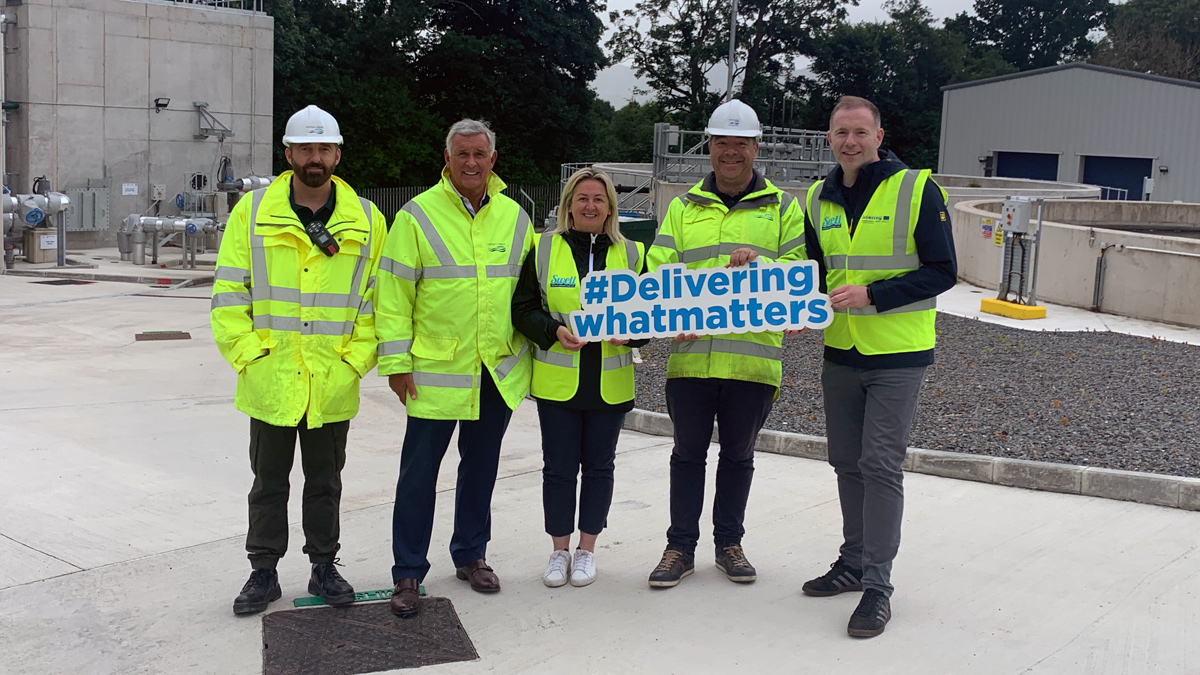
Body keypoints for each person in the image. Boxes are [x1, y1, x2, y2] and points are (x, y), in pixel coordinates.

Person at [211, 105, 387, 615]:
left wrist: (354, 363)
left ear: (336, 154)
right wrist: (249, 356)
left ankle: (323, 565)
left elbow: (377, 302)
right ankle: (262, 572)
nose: (315, 158)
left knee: (325, 483)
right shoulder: (254, 211)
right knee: (268, 483)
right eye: (305, 148)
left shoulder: (367, 219)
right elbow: (228, 292)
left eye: (324, 149)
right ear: (288, 154)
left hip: (331, 379)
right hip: (271, 376)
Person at [799, 95, 957, 638]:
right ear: (829, 139)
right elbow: (814, 271)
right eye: (841, 132)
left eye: (860, 132)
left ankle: (878, 586)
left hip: (897, 352)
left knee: (881, 464)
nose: (850, 141)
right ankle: (852, 560)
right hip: (840, 350)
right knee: (846, 462)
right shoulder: (818, 196)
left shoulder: (916, 189)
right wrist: (793, 298)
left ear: (879, 136)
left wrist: (873, 295)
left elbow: (943, 271)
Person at [645, 99, 806, 588]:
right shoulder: (682, 208)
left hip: (753, 364)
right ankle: (679, 548)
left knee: (739, 457)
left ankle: (729, 544)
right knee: (687, 456)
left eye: (740, 144)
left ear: (756, 148)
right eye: (721, 143)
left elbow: (798, 276)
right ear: (709, 147)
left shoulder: (783, 208)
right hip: (691, 359)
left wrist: (760, 268)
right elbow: (656, 271)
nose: (730, 152)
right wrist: (710, 279)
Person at [375, 119, 533, 618]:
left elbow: (531, 292)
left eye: (479, 154)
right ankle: (407, 573)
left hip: (495, 370)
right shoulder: (416, 216)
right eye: (461, 153)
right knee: (419, 476)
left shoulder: (515, 217)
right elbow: (393, 296)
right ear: (447, 158)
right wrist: (396, 363)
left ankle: (471, 555)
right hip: (433, 373)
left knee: (481, 470)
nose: (471, 162)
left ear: (493, 160)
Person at [511, 168, 646, 588]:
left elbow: (652, 315)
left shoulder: (634, 253)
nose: (590, 206)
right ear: (569, 204)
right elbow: (523, 308)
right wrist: (553, 332)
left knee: (600, 469)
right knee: (559, 469)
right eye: (582, 198)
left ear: (610, 208)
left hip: (610, 384)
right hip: (558, 384)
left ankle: (587, 550)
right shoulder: (544, 248)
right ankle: (559, 551)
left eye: (598, 199)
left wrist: (633, 334)